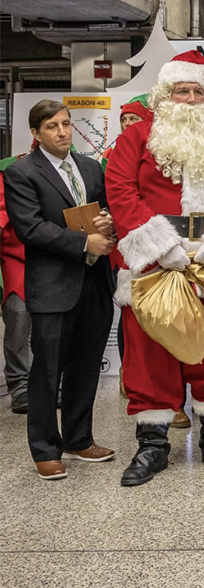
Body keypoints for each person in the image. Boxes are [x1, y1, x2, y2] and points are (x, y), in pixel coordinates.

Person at [105, 51, 204, 487]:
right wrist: (159, 247)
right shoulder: (136, 138)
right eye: (182, 91)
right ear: (165, 95)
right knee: (150, 352)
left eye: (198, 91)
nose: (190, 99)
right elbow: (120, 192)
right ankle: (152, 446)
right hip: (155, 265)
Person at [4, 100, 117, 480]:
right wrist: (85, 244)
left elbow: (105, 212)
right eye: (52, 126)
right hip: (52, 286)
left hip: (95, 282)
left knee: (86, 367)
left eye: (67, 123)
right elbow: (30, 228)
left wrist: (108, 222)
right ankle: (45, 449)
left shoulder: (89, 166)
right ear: (36, 134)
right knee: (47, 371)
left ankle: (78, 438)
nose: (63, 131)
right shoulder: (22, 172)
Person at [0, 157, 31, 415]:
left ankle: (50, 385)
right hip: (16, 258)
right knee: (19, 318)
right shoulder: (10, 170)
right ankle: (20, 386)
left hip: (54, 255)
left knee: (54, 328)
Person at [99, 96, 152, 169]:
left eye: (133, 119)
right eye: (123, 120)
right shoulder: (111, 153)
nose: (127, 123)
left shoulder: (159, 151)